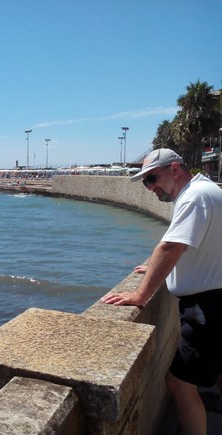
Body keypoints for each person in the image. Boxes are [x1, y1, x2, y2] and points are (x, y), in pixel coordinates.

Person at [101, 148, 222, 435]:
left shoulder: (194, 197)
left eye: (152, 178)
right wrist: (157, 268)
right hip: (215, 299)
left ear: (175, 169)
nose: (150, 187)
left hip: (208, 308)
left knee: (179, 383)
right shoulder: (208, 191)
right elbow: (202, 248)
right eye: (145, 182)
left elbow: (171, 247)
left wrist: (140, 295)